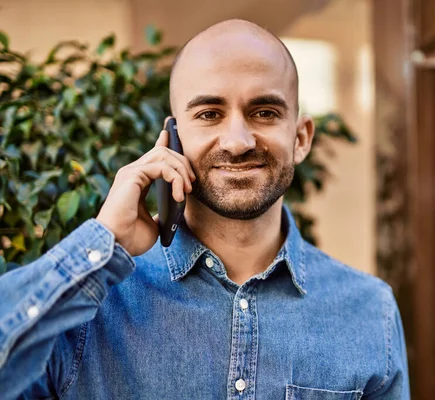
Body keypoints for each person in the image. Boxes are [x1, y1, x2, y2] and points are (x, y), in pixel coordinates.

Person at [0, 19, 409, 399]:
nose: (237, 141)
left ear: (300, 138)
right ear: (172, 137)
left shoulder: (370, 312)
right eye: (209, 114)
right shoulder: (89, 307)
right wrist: (103, 243)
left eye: (264, 112)